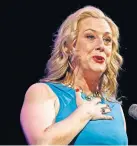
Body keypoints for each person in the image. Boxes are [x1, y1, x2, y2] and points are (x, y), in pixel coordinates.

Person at [20, 5, 128, 145]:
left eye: (107, 40)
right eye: (90, 36)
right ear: (68, 46)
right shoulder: (42, 92)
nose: (101, 45)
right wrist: (85, 113)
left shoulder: (115, 107)